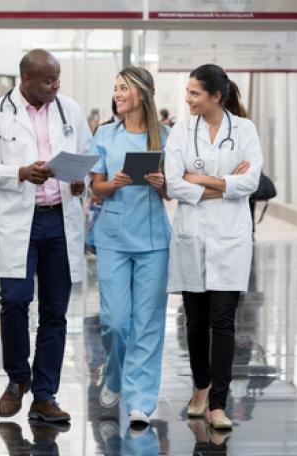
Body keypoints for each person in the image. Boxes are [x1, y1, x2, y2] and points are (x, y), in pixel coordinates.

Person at [0, 49, 93, 424]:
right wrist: (22, 173)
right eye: (48, 80)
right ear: (26, 79)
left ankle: (45, 396)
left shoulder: (69, 110)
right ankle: (17, 379)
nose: (56, 86)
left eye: (58, 79)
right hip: (19, 223)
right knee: (14, 301)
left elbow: (89, 159)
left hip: (60, 221)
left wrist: (80, 182)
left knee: (54, 313)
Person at [164, 64, 262, 430]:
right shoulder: (180, 131)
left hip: (230, 238)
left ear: (216, 97)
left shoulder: (245, 130)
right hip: (192, 237)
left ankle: (218, 403)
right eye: (187, 92)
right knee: (196, 320)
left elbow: (250, 181)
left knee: (223, 321)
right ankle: (201, 386)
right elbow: (174, 184)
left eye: (194, 93)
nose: (187, 99)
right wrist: (224, 184)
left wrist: (201, 180)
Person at [89, 66, 171, 427]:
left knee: (148, 323)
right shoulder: (105, 134)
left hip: (153, 239)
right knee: (115, 321)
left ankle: (141, 401)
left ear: (142, 94)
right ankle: (114, 376)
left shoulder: (166, 137)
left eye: (123, 88)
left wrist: (159, 183)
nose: (117, 94)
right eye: (115, 88)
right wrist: (117, 183)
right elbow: (96, 189)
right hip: (114, 236)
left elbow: (172, 192)